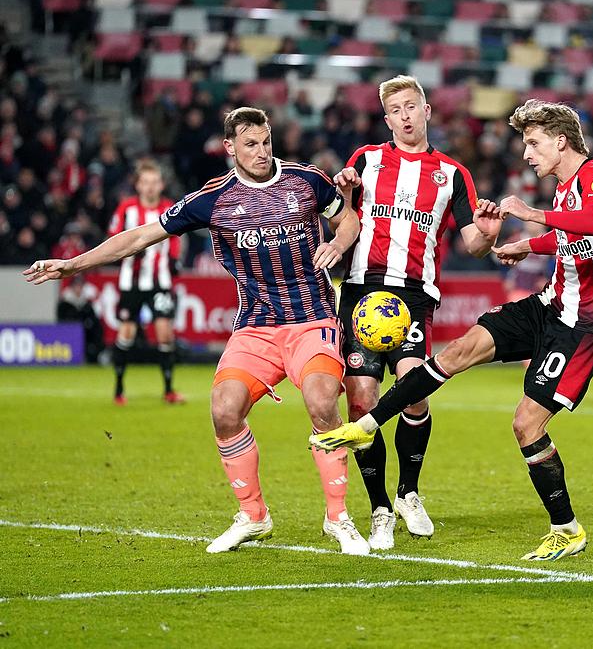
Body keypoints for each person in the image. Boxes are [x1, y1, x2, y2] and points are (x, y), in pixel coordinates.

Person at [25, 107, 371, 555]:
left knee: (322, 402)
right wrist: (73, 264)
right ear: (230, 147)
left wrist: (338, 242)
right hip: (256, 328)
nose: (262, 151)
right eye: (251, 144)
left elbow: (348, 218)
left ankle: (338, 518)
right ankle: (253, 516)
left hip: (313, 318)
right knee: (224, 410)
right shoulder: (214, 198)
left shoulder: (307, 180)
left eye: (266, 142)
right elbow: (139, 237)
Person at [312, 99, 593, 561]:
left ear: (561, 141)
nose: (527, 154)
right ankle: (367, 425)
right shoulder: (566, 187)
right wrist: (530, 245)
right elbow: (590, 236)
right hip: (551, 303)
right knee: (461, 349)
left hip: (585, 323)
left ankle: (566, 529)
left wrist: (531, 214)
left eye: (533, 143)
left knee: (526, 424)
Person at [332, 75, 501, 550]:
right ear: (387, 119)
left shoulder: (452, 173)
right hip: (362, 290)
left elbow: (474, 244)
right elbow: (344, 218)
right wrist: (344, 196)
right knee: (361, 402)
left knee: (415, 394)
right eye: (396, 110)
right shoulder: (365, 160)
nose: (405, 115)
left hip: (413, 295)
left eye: (412, 106)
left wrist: (489, 233)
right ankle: (380, 509)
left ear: (426, 111)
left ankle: (408, 491)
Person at [105, 159, 184, 405]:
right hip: (131, 282)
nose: (150, 187)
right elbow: (113, 237)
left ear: (161, 185)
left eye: (154, 182)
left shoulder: (169, 208)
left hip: (160, 282)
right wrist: (127, 253)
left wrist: (174, 260)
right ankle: (119, 390)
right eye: (145, 182)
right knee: (126, 333)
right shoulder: (126, 208)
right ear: (138, 185)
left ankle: (169, 390)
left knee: (164, 332)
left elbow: (176, 237)